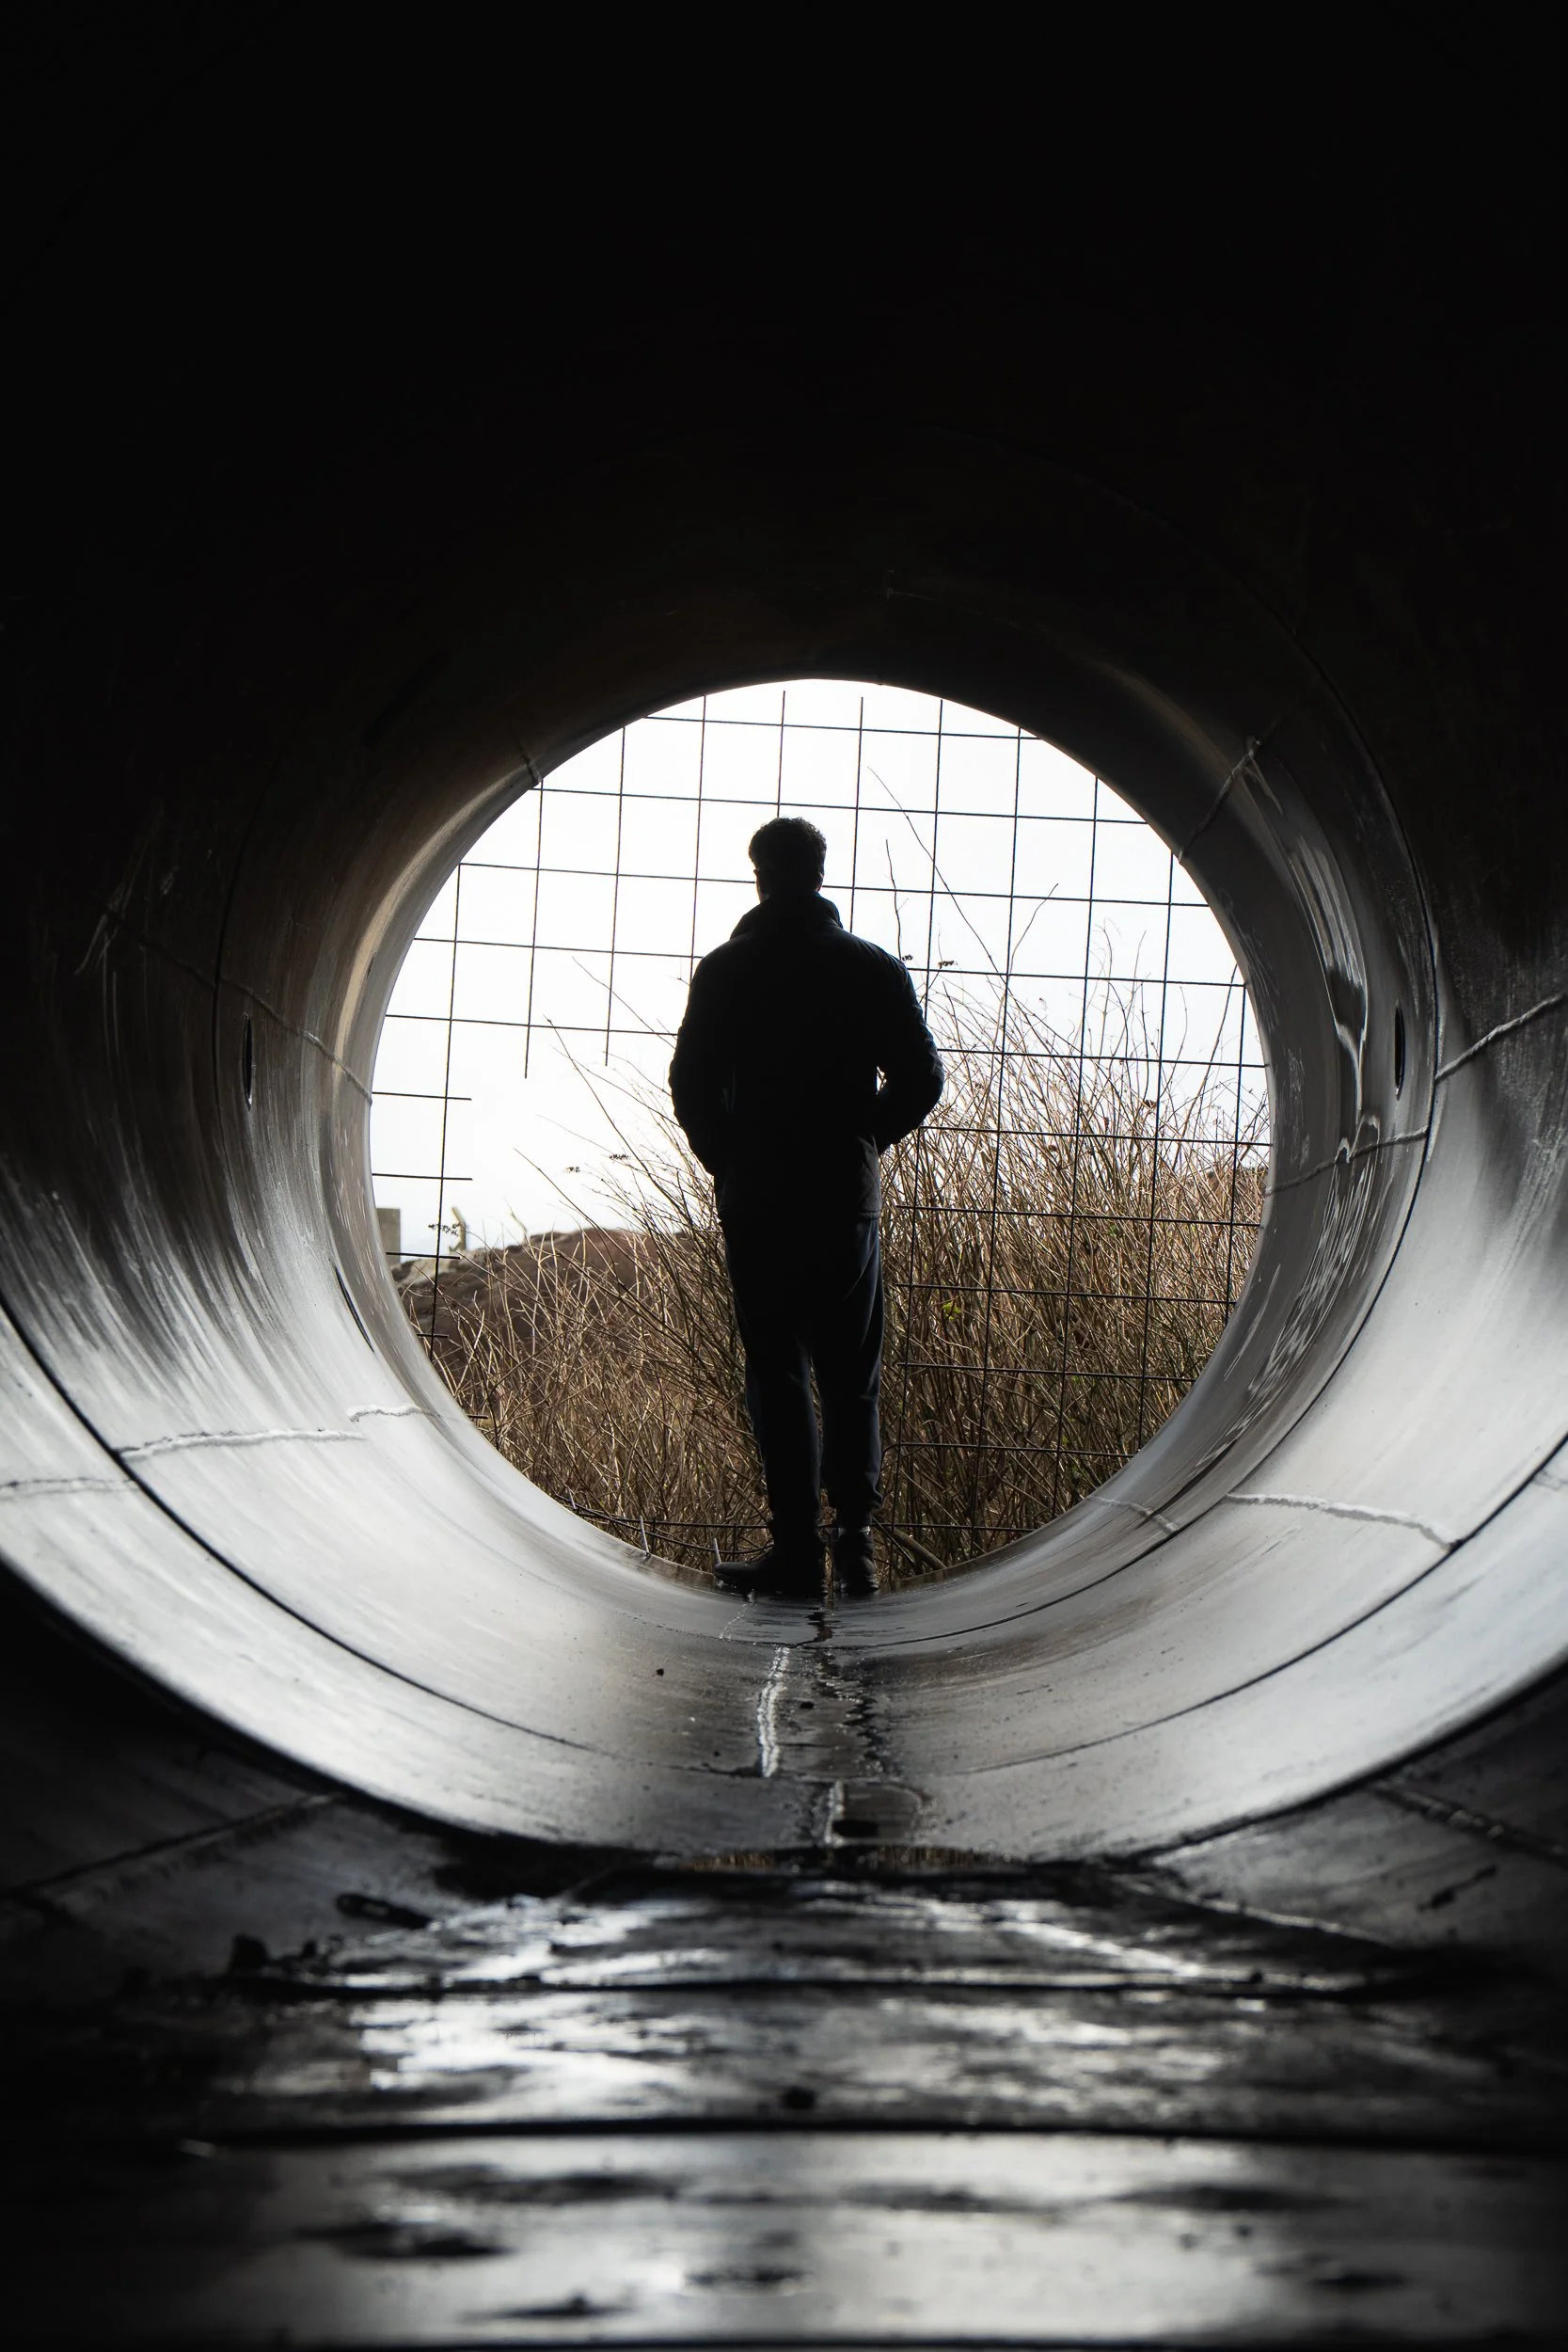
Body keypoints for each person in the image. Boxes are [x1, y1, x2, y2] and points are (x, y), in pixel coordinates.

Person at [669, 816, 943, 1600]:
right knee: (852, 1369)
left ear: (758, 873)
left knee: (777, 1371)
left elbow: (689, 1086)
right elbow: (922, 1079)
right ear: (821, 874)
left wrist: (732, 1161)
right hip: (842, 1199)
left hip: (759, 1199)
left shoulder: (725, 971)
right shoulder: (871, 969)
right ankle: (855, 1544)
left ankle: (794, 1549)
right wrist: (861, 1141)